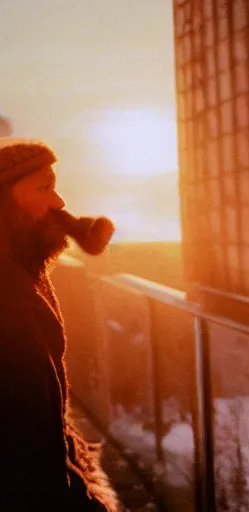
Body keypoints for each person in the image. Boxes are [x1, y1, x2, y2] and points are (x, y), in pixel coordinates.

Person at [0, 137, 118, 511]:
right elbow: (29, 449)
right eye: (44, 188)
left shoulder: (24, 272)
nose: (60, 202)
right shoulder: (8, 298)